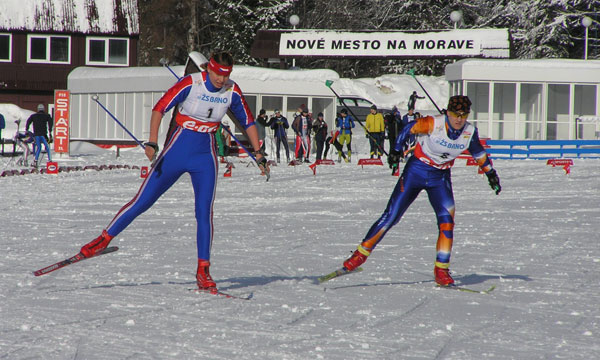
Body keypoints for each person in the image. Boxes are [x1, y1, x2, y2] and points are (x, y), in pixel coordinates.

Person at [78, 51, 268, 293]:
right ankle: (102, 240)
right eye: (219, 74)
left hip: (204, 156)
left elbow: (248, 121)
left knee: (204, 212)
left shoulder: (232, 90)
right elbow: (159, 108)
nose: (222, 80)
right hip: (176, 151)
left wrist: (258, 153)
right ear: (209, 69)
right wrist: (152, 141)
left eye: (226, 75)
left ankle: (203, 270)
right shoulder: (191, 83)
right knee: (142, 201)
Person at [340, 95, 501, 287]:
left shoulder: (469, 132)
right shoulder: (433, 123)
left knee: (447, 222)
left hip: (440, 177)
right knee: (392, 215)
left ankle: (441, 270)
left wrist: (490, 174)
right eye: (455, 114)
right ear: (448, 113)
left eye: (463, 115)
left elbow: (478, 153)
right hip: (416, 171)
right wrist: (396, 150)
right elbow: (408, 128)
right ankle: (360, 255)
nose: (459, 119)